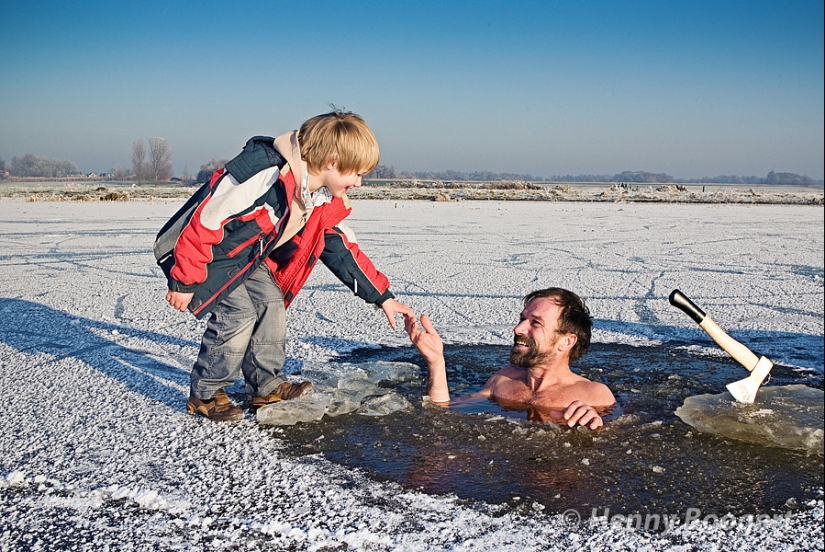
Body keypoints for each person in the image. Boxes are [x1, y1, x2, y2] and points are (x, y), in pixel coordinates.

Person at [156, 109, 413, 421]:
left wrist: (382, 297)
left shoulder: (319, 198)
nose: (359, 183)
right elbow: (206, 220)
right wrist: (184, 280)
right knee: (238, 315)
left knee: (271, 305)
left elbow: (343, 250)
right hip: (206, 254)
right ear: (331, 161)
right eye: (356, 173)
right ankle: (206, 393)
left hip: (248, 257)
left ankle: (266, 386)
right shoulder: (267, 173)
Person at [404, 288, 614, 429]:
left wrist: (595, 426)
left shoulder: (594, 394)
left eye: (535, 323)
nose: (518, 328)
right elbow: (441, 411)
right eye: (522, 319)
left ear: (566, 342)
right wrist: (436, 362)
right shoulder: (503, 379)